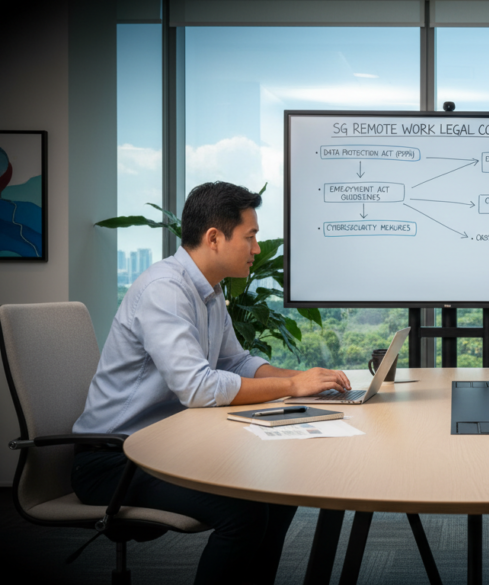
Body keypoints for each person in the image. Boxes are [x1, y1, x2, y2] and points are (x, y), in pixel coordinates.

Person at [72, 181, 353, 585]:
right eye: (250, 237)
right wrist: (293, 388)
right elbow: (199, 388)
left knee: (281, 492)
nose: (257, 249)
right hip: (114, 460)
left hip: (164, 447)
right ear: (214, 238)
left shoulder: (209, 290)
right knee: (246, 513)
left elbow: (235, 361)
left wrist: (303, 378)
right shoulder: (165, 291)